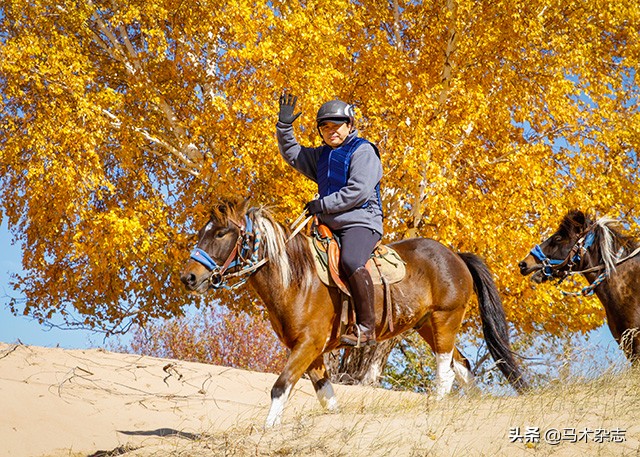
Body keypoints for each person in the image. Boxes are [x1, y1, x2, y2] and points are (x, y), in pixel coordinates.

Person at [276, 92, 383, 347]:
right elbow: (293, 154)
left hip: (361, 221)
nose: (330, 131)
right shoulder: (321, 156)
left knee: (350, 260)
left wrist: (323, 204)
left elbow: (358, 190)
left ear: (350, 125)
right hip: (327, 225)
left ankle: (367, 328)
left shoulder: (363, 150)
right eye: (325, 127)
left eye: (336, 126)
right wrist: (284, 126)